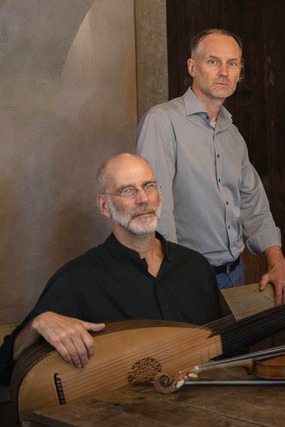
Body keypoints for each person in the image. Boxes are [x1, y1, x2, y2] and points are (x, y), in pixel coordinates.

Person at [0, 154, 229, 385]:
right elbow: (4, 366)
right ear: (104, 206)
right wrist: (39, 323)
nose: (143, 199)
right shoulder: (77, 279)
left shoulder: (195, 266)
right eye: (127, 190)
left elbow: (230, 345)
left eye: (149, 186)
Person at [136, 28, 285, 304]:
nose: (224, 71)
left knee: (237, 350)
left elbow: (254, 205)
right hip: (185, 278)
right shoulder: (163, 122)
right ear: (192, 67)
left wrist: (277, 262)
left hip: (235, 276)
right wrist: (171, 277)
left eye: (232, 63)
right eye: (213, 61)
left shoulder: (232, 135)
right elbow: (155, 209)